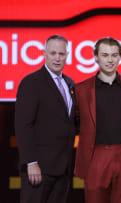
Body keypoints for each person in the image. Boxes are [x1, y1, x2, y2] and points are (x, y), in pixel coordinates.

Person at [74, 37, 121, 203]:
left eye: (114, 55)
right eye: (105, 55)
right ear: (96, 57)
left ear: (120, 57)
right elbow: (73, 122)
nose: (110, 60)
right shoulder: (81, 89)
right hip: (95, 156)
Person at [15, 35, 76, 203]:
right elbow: (23, 125)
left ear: (67, 55)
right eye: (53, 53)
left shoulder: (69, 83)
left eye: (61, 54)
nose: (57, 58)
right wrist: (30, 162)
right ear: (44, 54)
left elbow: (70, 123)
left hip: (63, 169)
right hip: (39, 169)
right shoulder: (31, 82)